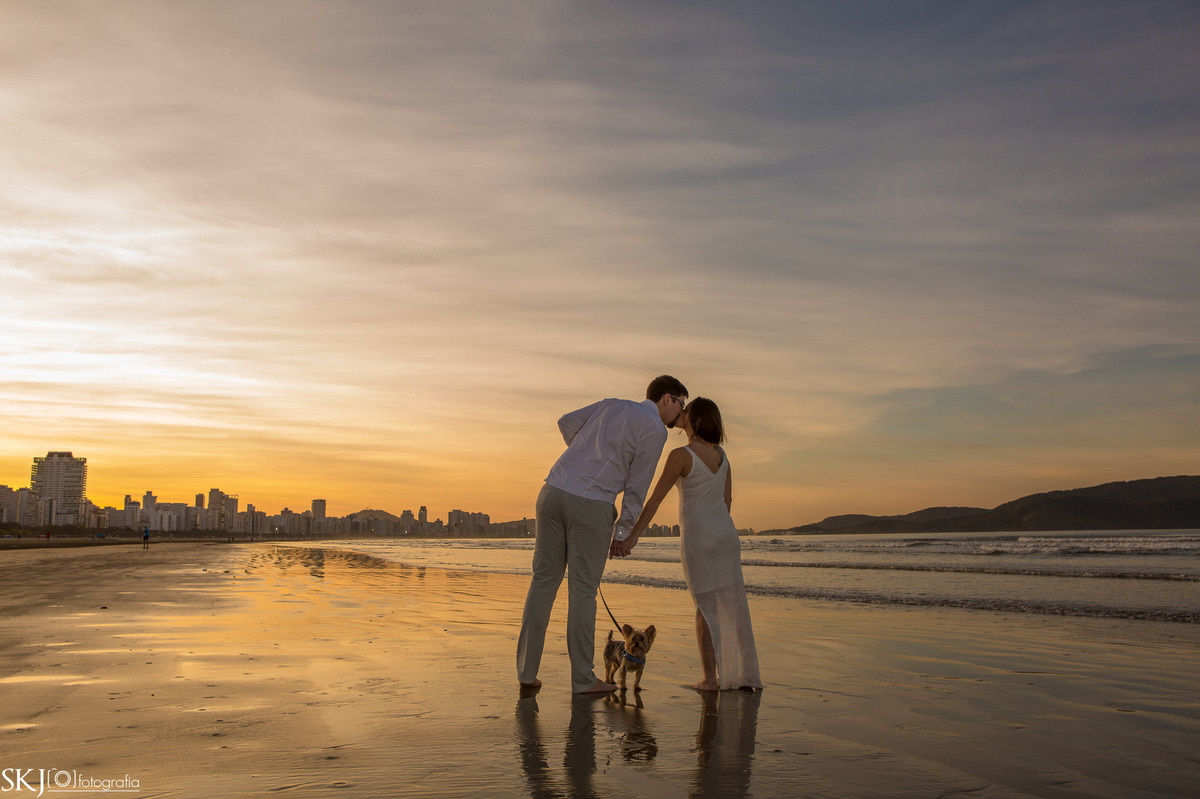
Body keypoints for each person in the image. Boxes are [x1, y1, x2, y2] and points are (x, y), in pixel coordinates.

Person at [517, 375, 688, 693]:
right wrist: (624, 533)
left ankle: (527, 673)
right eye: (682, 404)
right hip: (591, 502)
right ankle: (583, 679)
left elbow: (566, 422)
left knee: (542, 585)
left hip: (553, 490)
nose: (681, 416)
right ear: (667, 398)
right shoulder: (652, 428)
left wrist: (586, 452)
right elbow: (638, 485)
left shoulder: (612, 404)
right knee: (582, 592)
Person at [612, 397, 761, 691]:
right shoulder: (722, 456)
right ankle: (744, 675)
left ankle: (710, 679)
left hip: (699, 538)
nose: (682, 413)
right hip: (725, 536)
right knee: (730, 607)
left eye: (687, 411)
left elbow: (655, 499)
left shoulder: (681, 455)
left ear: (696, 419)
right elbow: (726, 502)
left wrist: (632, 536)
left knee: (704, 608)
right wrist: (717, 530)